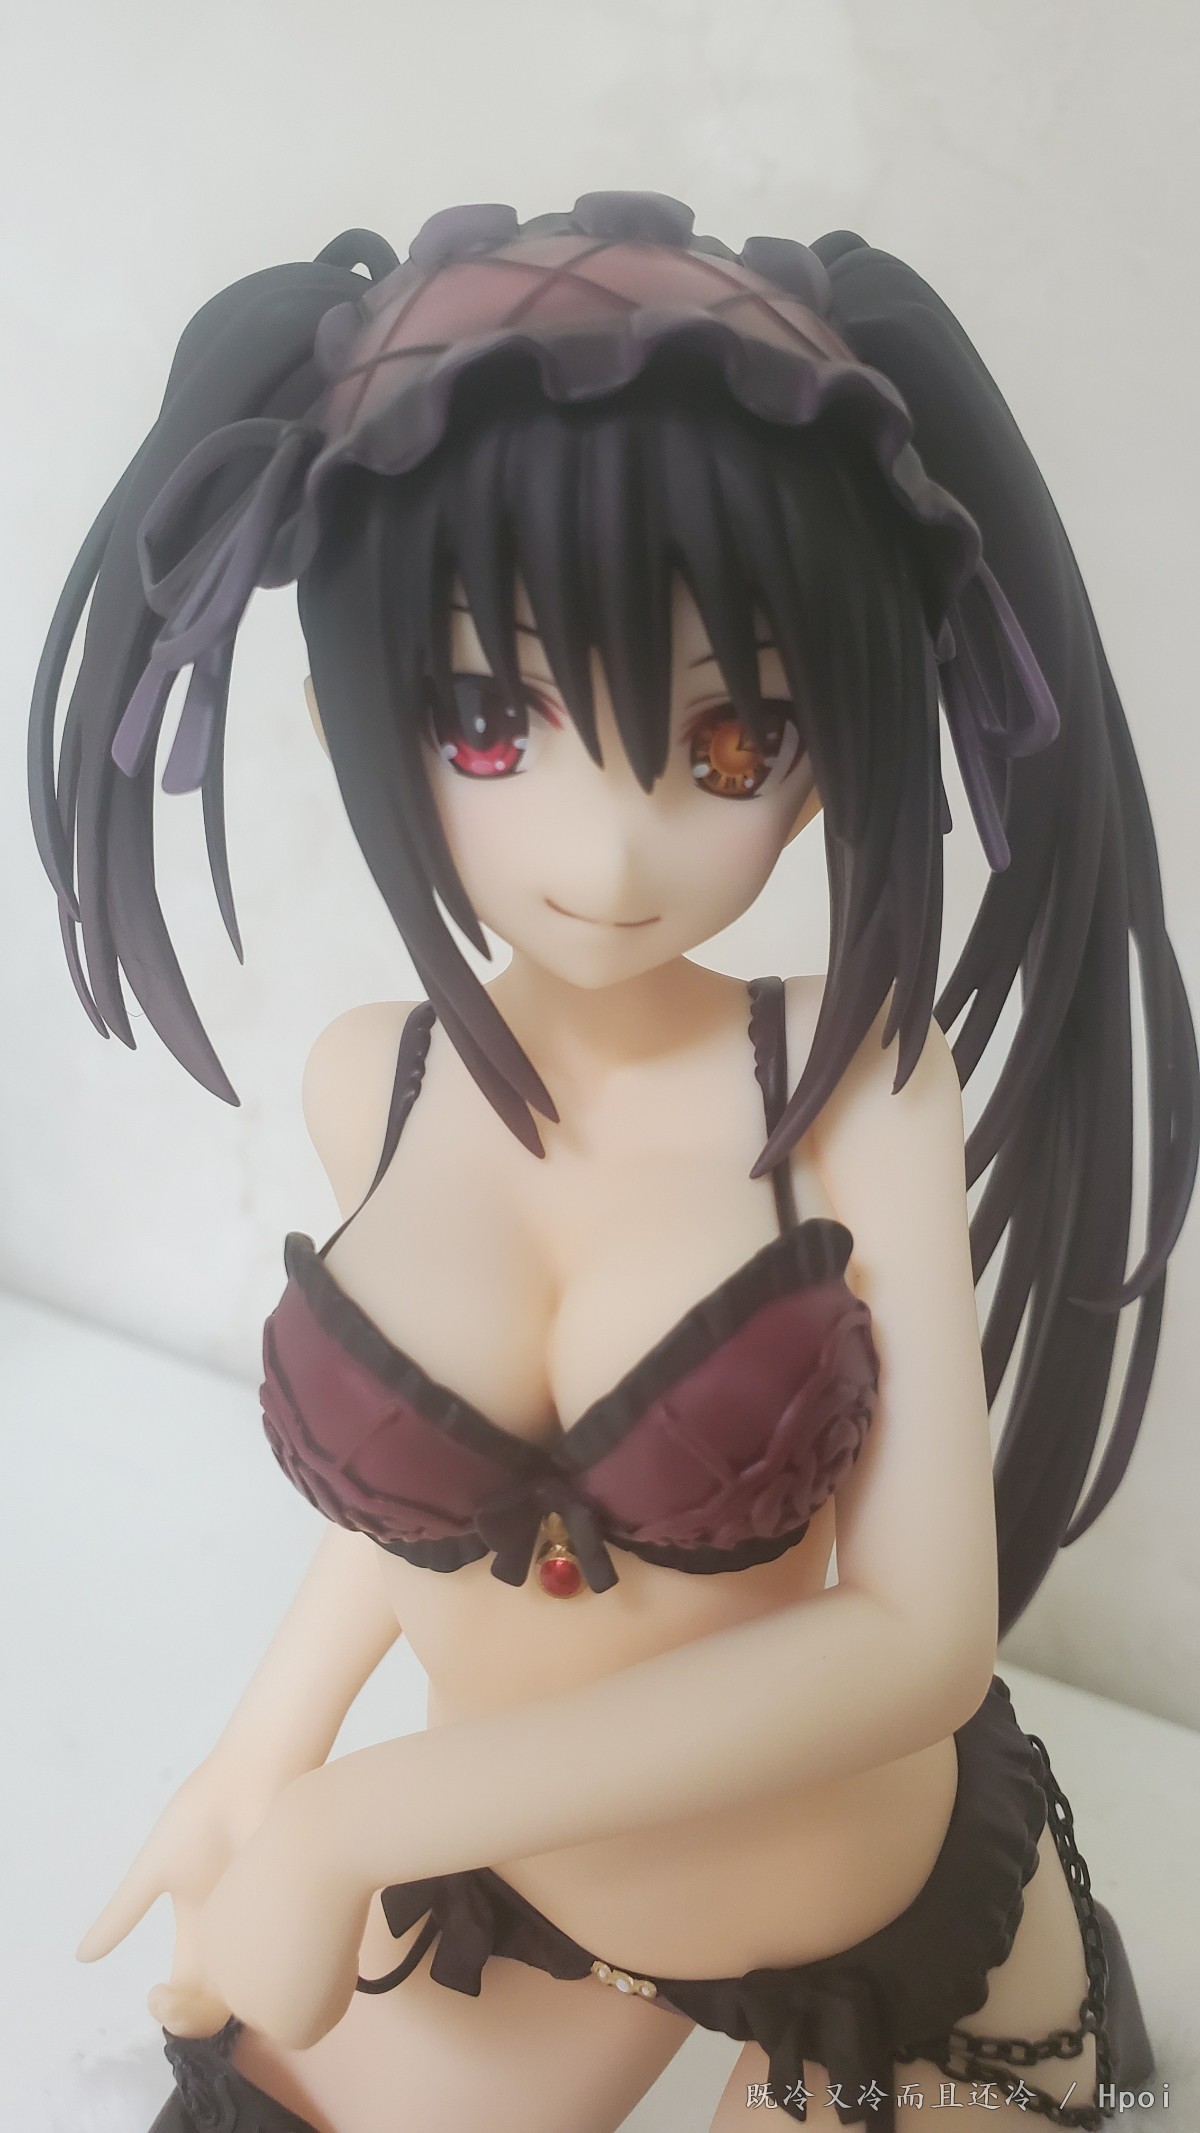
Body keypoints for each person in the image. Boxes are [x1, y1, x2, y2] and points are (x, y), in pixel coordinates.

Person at [28, 192, 1193, 2132]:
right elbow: (431, 1490)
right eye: (491, 721)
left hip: (865, 1926)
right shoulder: (375, 1078)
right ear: (352, 708)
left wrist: (357, 1814)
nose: (614, 846)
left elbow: (919, 1639)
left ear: (829, 753)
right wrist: (262, 1748)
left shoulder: (851, 1080)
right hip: (531, 1908)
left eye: (732, 743)